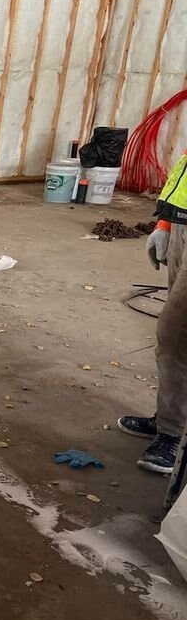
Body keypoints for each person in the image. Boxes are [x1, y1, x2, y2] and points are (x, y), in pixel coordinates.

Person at [118, 149, 187, 474]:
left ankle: (175, 434)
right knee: (175, 337)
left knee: (175, 335)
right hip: (183, 223)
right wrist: (167, 223)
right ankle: (170, 418)